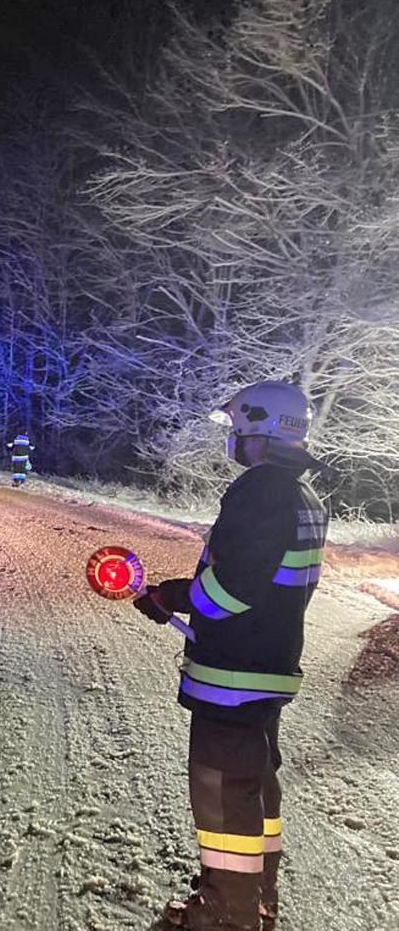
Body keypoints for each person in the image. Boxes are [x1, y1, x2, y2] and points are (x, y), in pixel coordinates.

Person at [132, 382, 327, 931]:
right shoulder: (303, 495)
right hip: (269, 663)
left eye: (237, 426)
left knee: (223, 790)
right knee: (256, 783)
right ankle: (258, 898)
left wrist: (172, 598)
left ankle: (226, 913)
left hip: (235, 672)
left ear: (260, 427)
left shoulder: (262, 491)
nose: (234, 438)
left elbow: (234, 588)